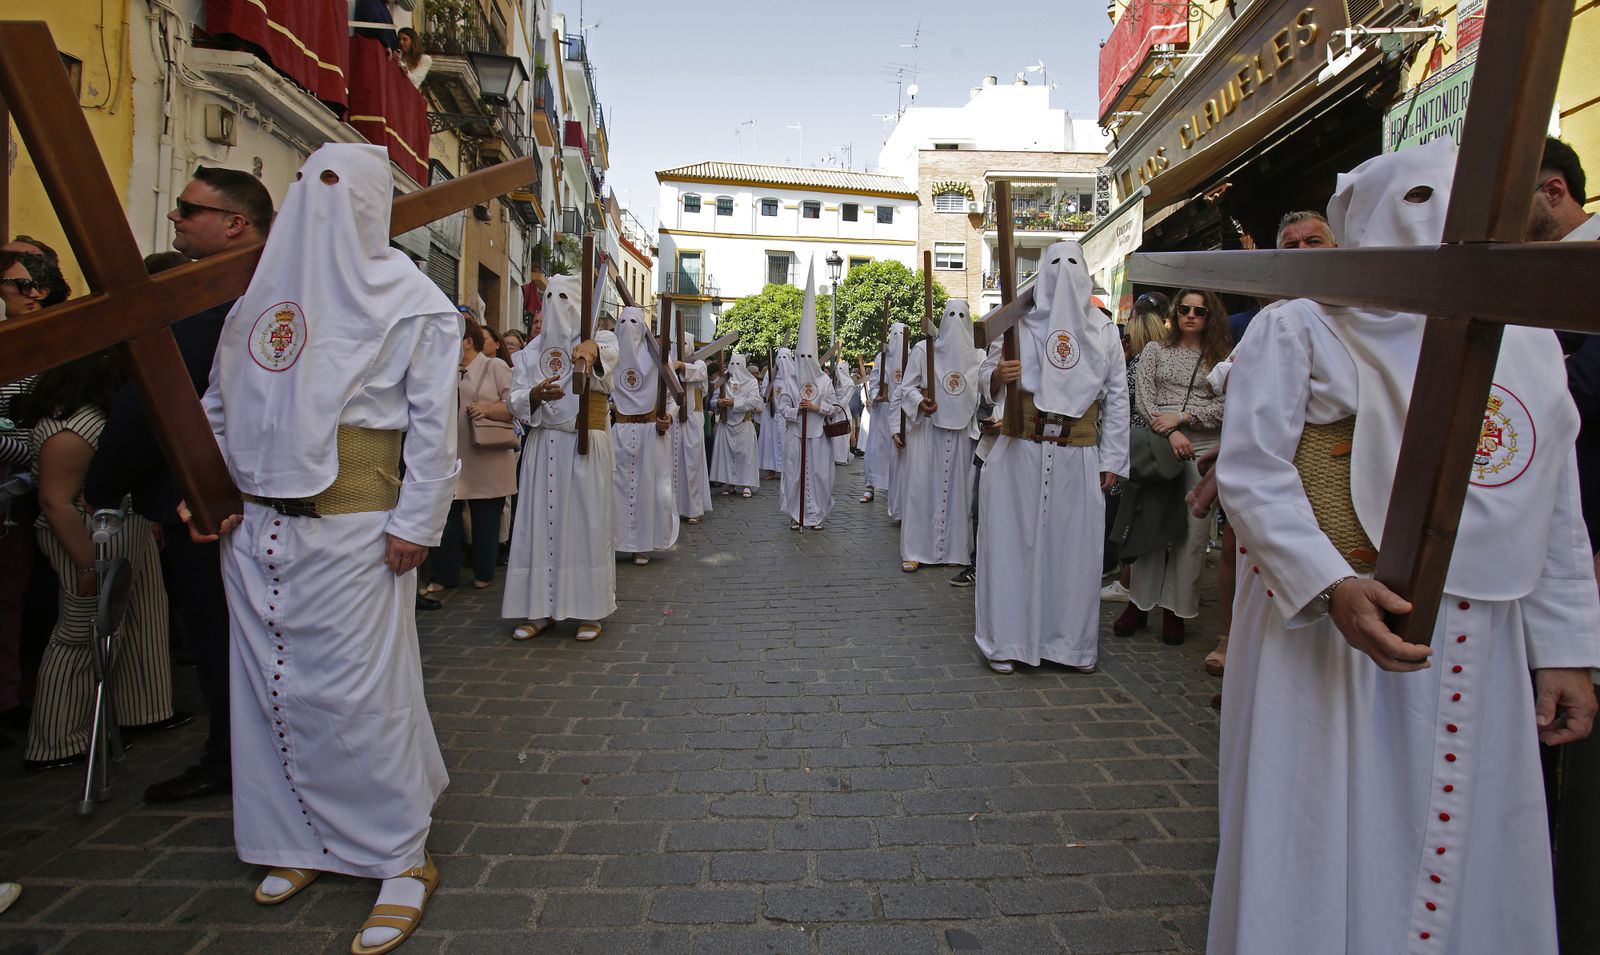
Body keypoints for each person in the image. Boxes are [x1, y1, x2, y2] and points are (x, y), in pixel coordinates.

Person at [1208, 138, 1600, 955]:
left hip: (1483, 639)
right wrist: (1328, 584)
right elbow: (1251, 473)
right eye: (1418, 202)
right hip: (1336, 640)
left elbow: (1553, 502)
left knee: (1469, 839)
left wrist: (1564, 648)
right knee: (1328, 837)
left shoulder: (1522, 342)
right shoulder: (1302, 327)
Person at [192, 144, 457, 953]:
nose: (319, 199)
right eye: (307, 183)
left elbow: (430, 425)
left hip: (357, 531)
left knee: (355, 695)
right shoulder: (257, 299)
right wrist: (203, 481)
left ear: (374, 204)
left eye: (338, 187)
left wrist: (417, 519)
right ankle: (295, 840)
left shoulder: (414, 299)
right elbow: (216, 403)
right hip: (256, 526)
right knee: (272, 691)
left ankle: (398, 856)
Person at [85, 164, 274, 805]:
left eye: (190, 210)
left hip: (205, 495)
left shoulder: (215, 295)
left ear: (234, 224)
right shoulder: (260, 288)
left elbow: (158, 399)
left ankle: (230, 759)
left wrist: (104, 484)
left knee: (218, 632)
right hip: (234, 494)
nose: (176, 218)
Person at [974, 241, 1129, 675]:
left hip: (1076, 454)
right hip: (1019, 449)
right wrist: (998, 376)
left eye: (1073, 264)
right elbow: (983, 374)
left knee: (1072, 550)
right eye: (1054, 263)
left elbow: (1118, 397)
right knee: (1010, 545)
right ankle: (1005, 640)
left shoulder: (1103, 330)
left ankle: (1069, 646)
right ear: (1041, 272)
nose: (1063, 273)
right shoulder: (1016, 324)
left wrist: (1111, 459)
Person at [19, 349, 176, 771]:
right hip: (88, 537)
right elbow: (55, 502)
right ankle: (56, 739)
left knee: (142, 617)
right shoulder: (69, 426)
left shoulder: (93, 414)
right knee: (83, 629)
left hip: (121, 526)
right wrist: (87, 563)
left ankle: (142, 710)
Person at [503, 273, 618, 643]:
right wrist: (533, 396)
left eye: (564, 298)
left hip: (583, 447)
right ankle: (539, 610)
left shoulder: (601, 339)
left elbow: (610, 359)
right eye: (549, 297)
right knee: (539, 526)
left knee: (584, 527)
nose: (555, 305)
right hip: (542, 448)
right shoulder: (532, 351)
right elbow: (514, 399)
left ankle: (589, 611)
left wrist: (592, 352)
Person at [1112, 288, 1228, 646]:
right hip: (1160, 443)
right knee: (1151, 524)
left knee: (1192, 533)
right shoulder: (1155, 351)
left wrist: (1187, 416)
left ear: (1211, 317)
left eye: (1200, 311)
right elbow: (1144, 398)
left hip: (1204, 446)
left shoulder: (1221, 358)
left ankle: (1177, 610)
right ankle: (1139, 603)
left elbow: (1229, 404)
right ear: (1175, 313)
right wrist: (1172, 429)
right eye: (1184, 309)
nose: (1191, 315)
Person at [427, 317, 515, 593]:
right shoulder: (444, 369)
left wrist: (487, 409)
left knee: (485, 519)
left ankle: (484, 571)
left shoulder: (494, 365)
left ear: (467, 341)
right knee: (447, 517)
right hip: (449, 455)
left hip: (484, 454)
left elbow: (516, 404)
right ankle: (444, 574)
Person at [896, 299, 983, 573]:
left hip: (962, 435)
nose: (956, 320)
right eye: (951, 315)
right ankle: (915, 550)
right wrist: (921, 402)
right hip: (928, 431)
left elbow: (985, 392)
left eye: (962, 316)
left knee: (960, 493)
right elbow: (906, 388)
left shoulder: (979, 356)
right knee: (921, 490)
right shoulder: (924, 350)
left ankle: (956, 550)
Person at [610, 306, 678, 565]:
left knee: (646, 489)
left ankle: (642, 545)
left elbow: (674, 395)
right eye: (623, 323)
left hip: (651, 433)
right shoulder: (611, 357)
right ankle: (615, 542)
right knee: (617, 487)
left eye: (635, 324)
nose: (629, 329)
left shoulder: (657, 358)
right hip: (620, 431)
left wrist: (668, 416)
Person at [778, 266, 839, 530]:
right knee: (795, 476)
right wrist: (796, 412)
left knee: (818, 476)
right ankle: (797, 514)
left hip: (818, 437)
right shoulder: (791, 381)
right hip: (796, 435)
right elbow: (783, 407)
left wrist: (815, 407)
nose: (803, 362)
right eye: (800, 357)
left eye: (808, 357)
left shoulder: (825, 381)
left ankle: (816, 515)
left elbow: (835, 406)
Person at [670, 328, 713, 525]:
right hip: (673, 419)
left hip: (693, 419)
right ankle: (672, 507)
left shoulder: (699, 363)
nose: (681, 348)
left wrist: (681, 366)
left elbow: (700, 373)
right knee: (672, 463)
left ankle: (693, 508)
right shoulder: (668, 363)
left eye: (684, 344)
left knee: (691, 463)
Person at [861, 323, 906, 504]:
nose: (897, 337)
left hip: (903, 412)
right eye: (894, 334)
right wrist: (876, 395)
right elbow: (874, 381)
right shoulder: (882, 357)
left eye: (900, 334)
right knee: (876, 449)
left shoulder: (911, 355)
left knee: (897, 450)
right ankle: (870, 486)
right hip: (883, 412)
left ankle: (896, 488)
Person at [709, 353, 762, 497]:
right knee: (727, 455)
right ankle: (730, 483)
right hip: (726, 423)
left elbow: (754, 401)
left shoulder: (751, 383)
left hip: (744, 423)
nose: (735, 368)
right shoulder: (723, 381)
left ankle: (746, 484)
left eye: (738, 365)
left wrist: (733, 403)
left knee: (745, 455)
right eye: (733, 365)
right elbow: (713, 400)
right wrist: (718, 403)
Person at [758, 349, 791, 479]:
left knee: (785, 442)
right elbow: (763, 392)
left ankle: (786, 470)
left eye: (785, 358)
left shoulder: (793, 375)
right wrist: (769, 395)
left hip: (785, 415)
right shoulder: (770, 374)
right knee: (770, 441)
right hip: (770, 414)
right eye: (779, 358)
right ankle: (771, 470)